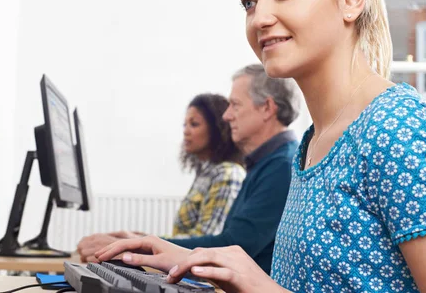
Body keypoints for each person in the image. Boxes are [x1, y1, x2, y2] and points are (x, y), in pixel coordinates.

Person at [95, 0, 426, 293]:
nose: (259, 17)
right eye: (248, 1)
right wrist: (188, 258)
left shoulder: (401, 132)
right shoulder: (315, 142)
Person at [82, 65, 301, 274]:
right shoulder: (266, 162)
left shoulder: (281, 165)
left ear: (267, 108)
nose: (227, 116)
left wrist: (142, 245)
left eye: (235, 105)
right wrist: (141, 241)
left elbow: (234, 247)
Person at [77, 93, 246, 261]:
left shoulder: (227, 174)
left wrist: (141, 243)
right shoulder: (206, 173)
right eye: (184, 124)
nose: (186, 131)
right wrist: (139, 238)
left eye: (194, 124)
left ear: (217, 129)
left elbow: (208, 243)